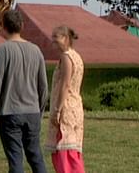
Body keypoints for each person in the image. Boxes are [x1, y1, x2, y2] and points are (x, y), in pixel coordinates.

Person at [0, 8, 49, 173]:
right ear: (22, 26)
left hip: (10, 112)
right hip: (32, 112)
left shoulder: (2, 51)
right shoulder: (36, 50)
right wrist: (39, 111)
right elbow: (43, 86)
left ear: (3, 26)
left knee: (15, 159)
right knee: (36, 156)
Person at [46, 25, 86, 173]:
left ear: (66, 38)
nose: (53, 41)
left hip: (66, 108)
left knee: (65, 151)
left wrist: (57, 110)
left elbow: (65, 84)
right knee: (72, 150)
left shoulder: (66, 57)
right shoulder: (77, 56)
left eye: (56, 37)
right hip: (76, 106)